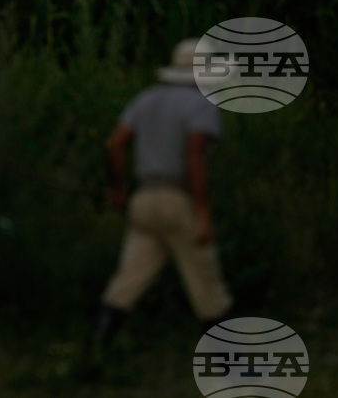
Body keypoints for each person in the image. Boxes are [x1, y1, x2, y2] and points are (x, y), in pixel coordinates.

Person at [80, 38, 233, 376]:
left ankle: (94, 355)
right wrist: (202, 212)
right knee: (205, 280)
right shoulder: (200, 104)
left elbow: (115, 144)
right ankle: (225, 364)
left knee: (128, 280)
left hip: (144, 200)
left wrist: (118, 189)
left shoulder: (145, 100)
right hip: (176, 200)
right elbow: (194, 155)